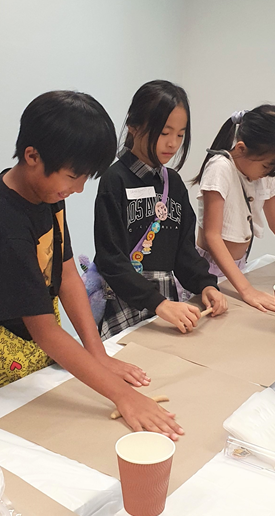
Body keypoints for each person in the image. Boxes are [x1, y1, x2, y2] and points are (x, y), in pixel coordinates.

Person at [0, 91, 183, 440]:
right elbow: (45, 331)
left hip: (28, 360)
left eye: (86, 177)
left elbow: (67, 271)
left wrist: (98, 353)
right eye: (73, 176)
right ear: (32, 156)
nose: (80, 189)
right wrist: (124, 397)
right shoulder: (5, 224)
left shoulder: (46, 193)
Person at [93, 80, 227, 340]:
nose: (173, 144)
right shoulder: (115, 179)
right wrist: (158, 302)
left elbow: (183, 252)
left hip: (166, 302)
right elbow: (112, 259)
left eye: (180, 134)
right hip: (127, 298)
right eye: (164, 133)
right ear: (133, 126)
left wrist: (206, 285)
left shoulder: (173, 183)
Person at [193, 106, 275, 312]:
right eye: (267, 167)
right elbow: (212, 236)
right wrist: (247, 290)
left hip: (238, 268)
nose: (268, 173)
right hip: (210, 272)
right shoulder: (220, 168)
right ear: (241, 149)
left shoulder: (261, 172)